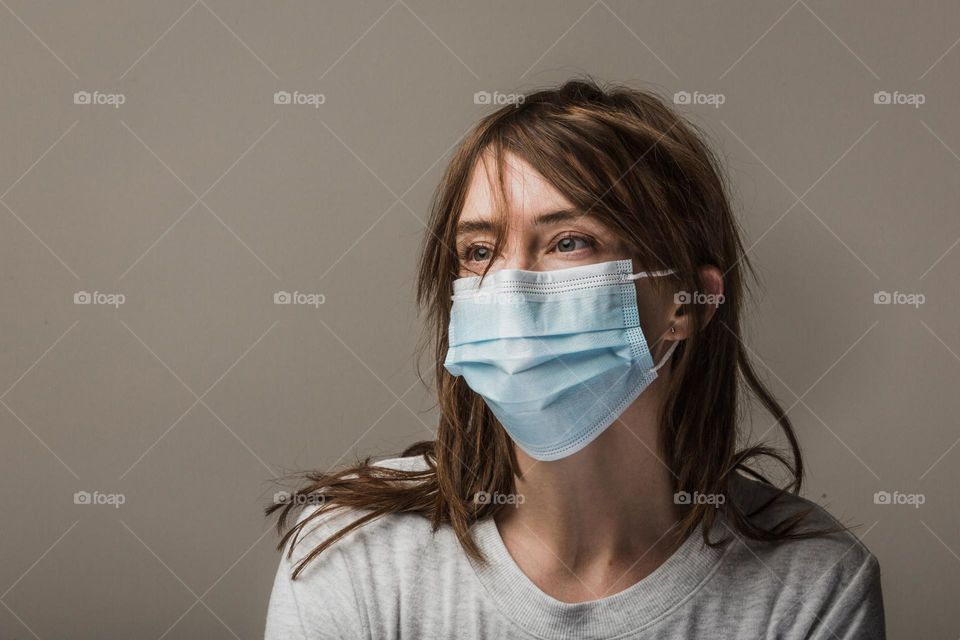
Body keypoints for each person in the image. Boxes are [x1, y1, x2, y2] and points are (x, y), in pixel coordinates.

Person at [264, 79, 885, 639]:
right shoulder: (352, 550)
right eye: (478, 251)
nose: (508, 288)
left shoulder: (813, 586)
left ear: (687, 304)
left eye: (569, 242)